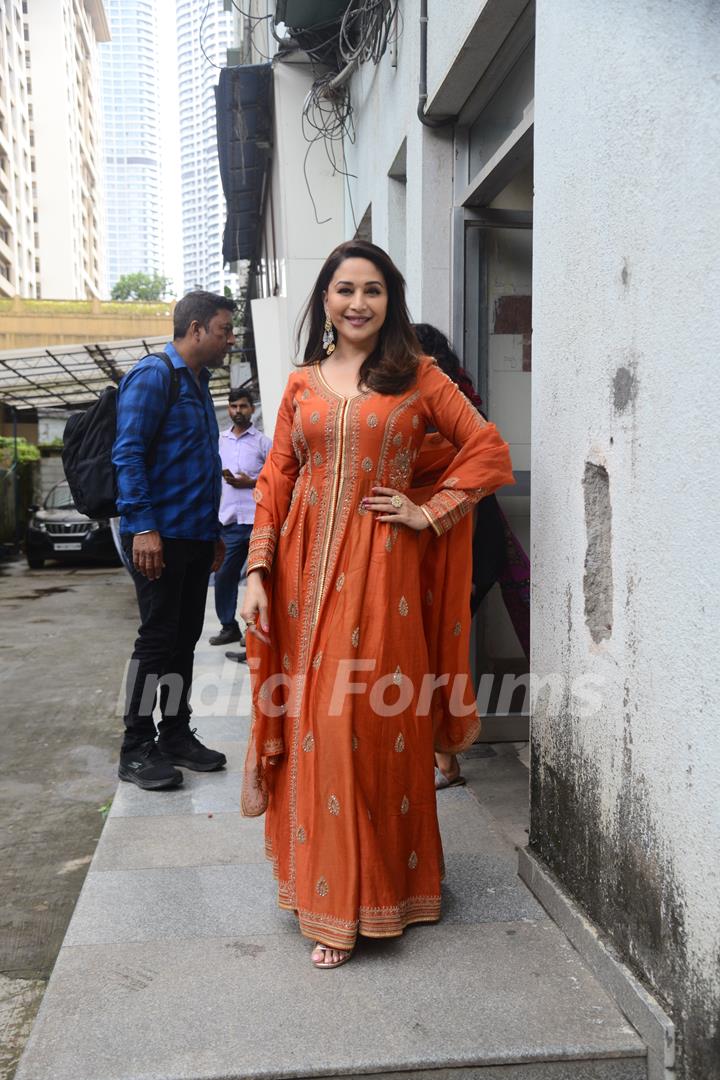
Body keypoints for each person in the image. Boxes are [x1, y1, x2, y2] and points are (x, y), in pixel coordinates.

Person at [240, 240, 514, 968]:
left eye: (373, 290)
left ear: (390, 300)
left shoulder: (420, 377)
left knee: (362, 725)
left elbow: (487, 450)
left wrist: (433, 510)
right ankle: (330, 890)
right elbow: (275, 478)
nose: (357, 302)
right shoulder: (301, 384)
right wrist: (256, 570)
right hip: (302, 577)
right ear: (324, 300)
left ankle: (376, 892)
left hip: (383, 576)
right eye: (343, 289)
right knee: (315, 727)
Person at [112, 290, 236, 790]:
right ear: (197, 328)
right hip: (155, 535)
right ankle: (135, 747)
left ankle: (175, 734)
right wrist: (143, 526)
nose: (230, 340)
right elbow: (128, 454)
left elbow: (198, 466)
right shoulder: (154, 375)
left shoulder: (200, 383)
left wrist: (214, 534)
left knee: (184, 640)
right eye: (225, 330)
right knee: (158, 639)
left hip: (192, 535)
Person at [412, 324, 530, 790]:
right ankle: (444, 758)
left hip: (465, 542)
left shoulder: (451, 405)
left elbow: (480, 466)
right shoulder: (453, 398)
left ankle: (443, 757)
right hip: (446, 542)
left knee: (436, 649)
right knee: (435, 648)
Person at [208, 388, 271, 654]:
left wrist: (251, 482)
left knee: (259, 577)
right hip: (230, 522)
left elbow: (277, 479)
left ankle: (254, 630)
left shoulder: (263, 443)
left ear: (252, 409)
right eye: (233, 406)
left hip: (258, 520)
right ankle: (228, 626)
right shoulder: (218, 442)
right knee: (224, 575)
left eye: (243, 406)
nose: (237, 411)